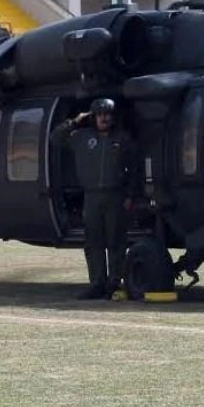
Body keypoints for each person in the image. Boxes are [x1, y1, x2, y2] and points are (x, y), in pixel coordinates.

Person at [51, 97, 141, 299]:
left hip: (116, 196)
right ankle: (97, 283)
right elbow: (55, 138)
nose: (104, 118)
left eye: (107, 114)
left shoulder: (123, 139)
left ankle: (114, 283)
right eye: (100, 114)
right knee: (93, 242)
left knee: (116, 241)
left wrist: (131, 194)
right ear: (93, 117)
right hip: (91, 196)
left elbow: (136, 169)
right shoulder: (81, 137)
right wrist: (74, 121)